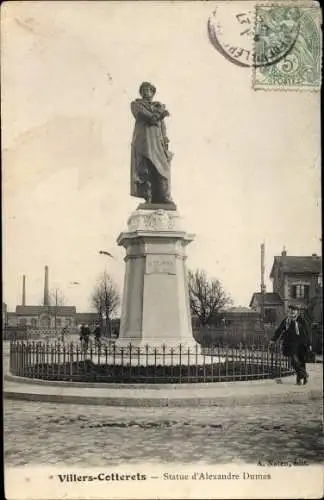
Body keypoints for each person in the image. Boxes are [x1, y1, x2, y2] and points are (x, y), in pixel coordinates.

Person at [130, 81, 174, 204]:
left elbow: (162, 126)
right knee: (145, 167)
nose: (147, 92)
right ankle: (148, 196)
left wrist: (165, 140)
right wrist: (158, 114)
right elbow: (145, 115)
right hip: (144, 141)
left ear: (153, 92)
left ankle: (163, 196)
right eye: (144, 90)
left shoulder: (157, 107)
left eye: (149, 90)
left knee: (162, 167)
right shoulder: (136, 104)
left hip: (157, 143)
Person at [270, 305, 312, 385]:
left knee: (301, 361)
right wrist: (273, 339)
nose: (292, 312)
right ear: (288, 312)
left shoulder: (302, 320)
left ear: (297, 312)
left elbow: (307, 333)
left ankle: (300, 379)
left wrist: (309, 344)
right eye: (290, 310)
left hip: (301, 344)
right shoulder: (286, 320)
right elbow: (279, 330)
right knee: (294, 361)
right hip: (291, 344)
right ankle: (305, 374)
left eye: (294, 310)